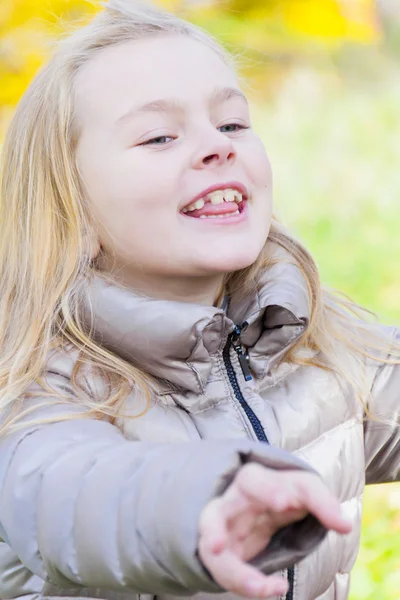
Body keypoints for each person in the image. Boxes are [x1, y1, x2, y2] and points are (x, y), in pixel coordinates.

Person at [0, 1, 398, 599]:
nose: (218, 146)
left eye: (232, 124)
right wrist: (206, 501)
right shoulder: (35, 392)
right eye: (160, 135)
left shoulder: (313, 343)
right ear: (71, 212)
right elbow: (76, 492)